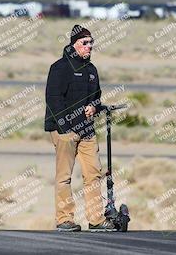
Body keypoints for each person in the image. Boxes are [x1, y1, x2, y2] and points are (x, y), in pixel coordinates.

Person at [44, 25, 115, 232]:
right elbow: (53, 100)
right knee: (64, 176)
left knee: (93, 174)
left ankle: (96, 220)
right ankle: (64, 219)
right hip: (64, 131)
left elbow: (97, 97)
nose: (89, 47)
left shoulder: (91, 70)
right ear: (73, 45)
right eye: (85, 43)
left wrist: (94, 106)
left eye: (91, 43)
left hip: (87, 131)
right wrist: (66, 128)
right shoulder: (60, 68)